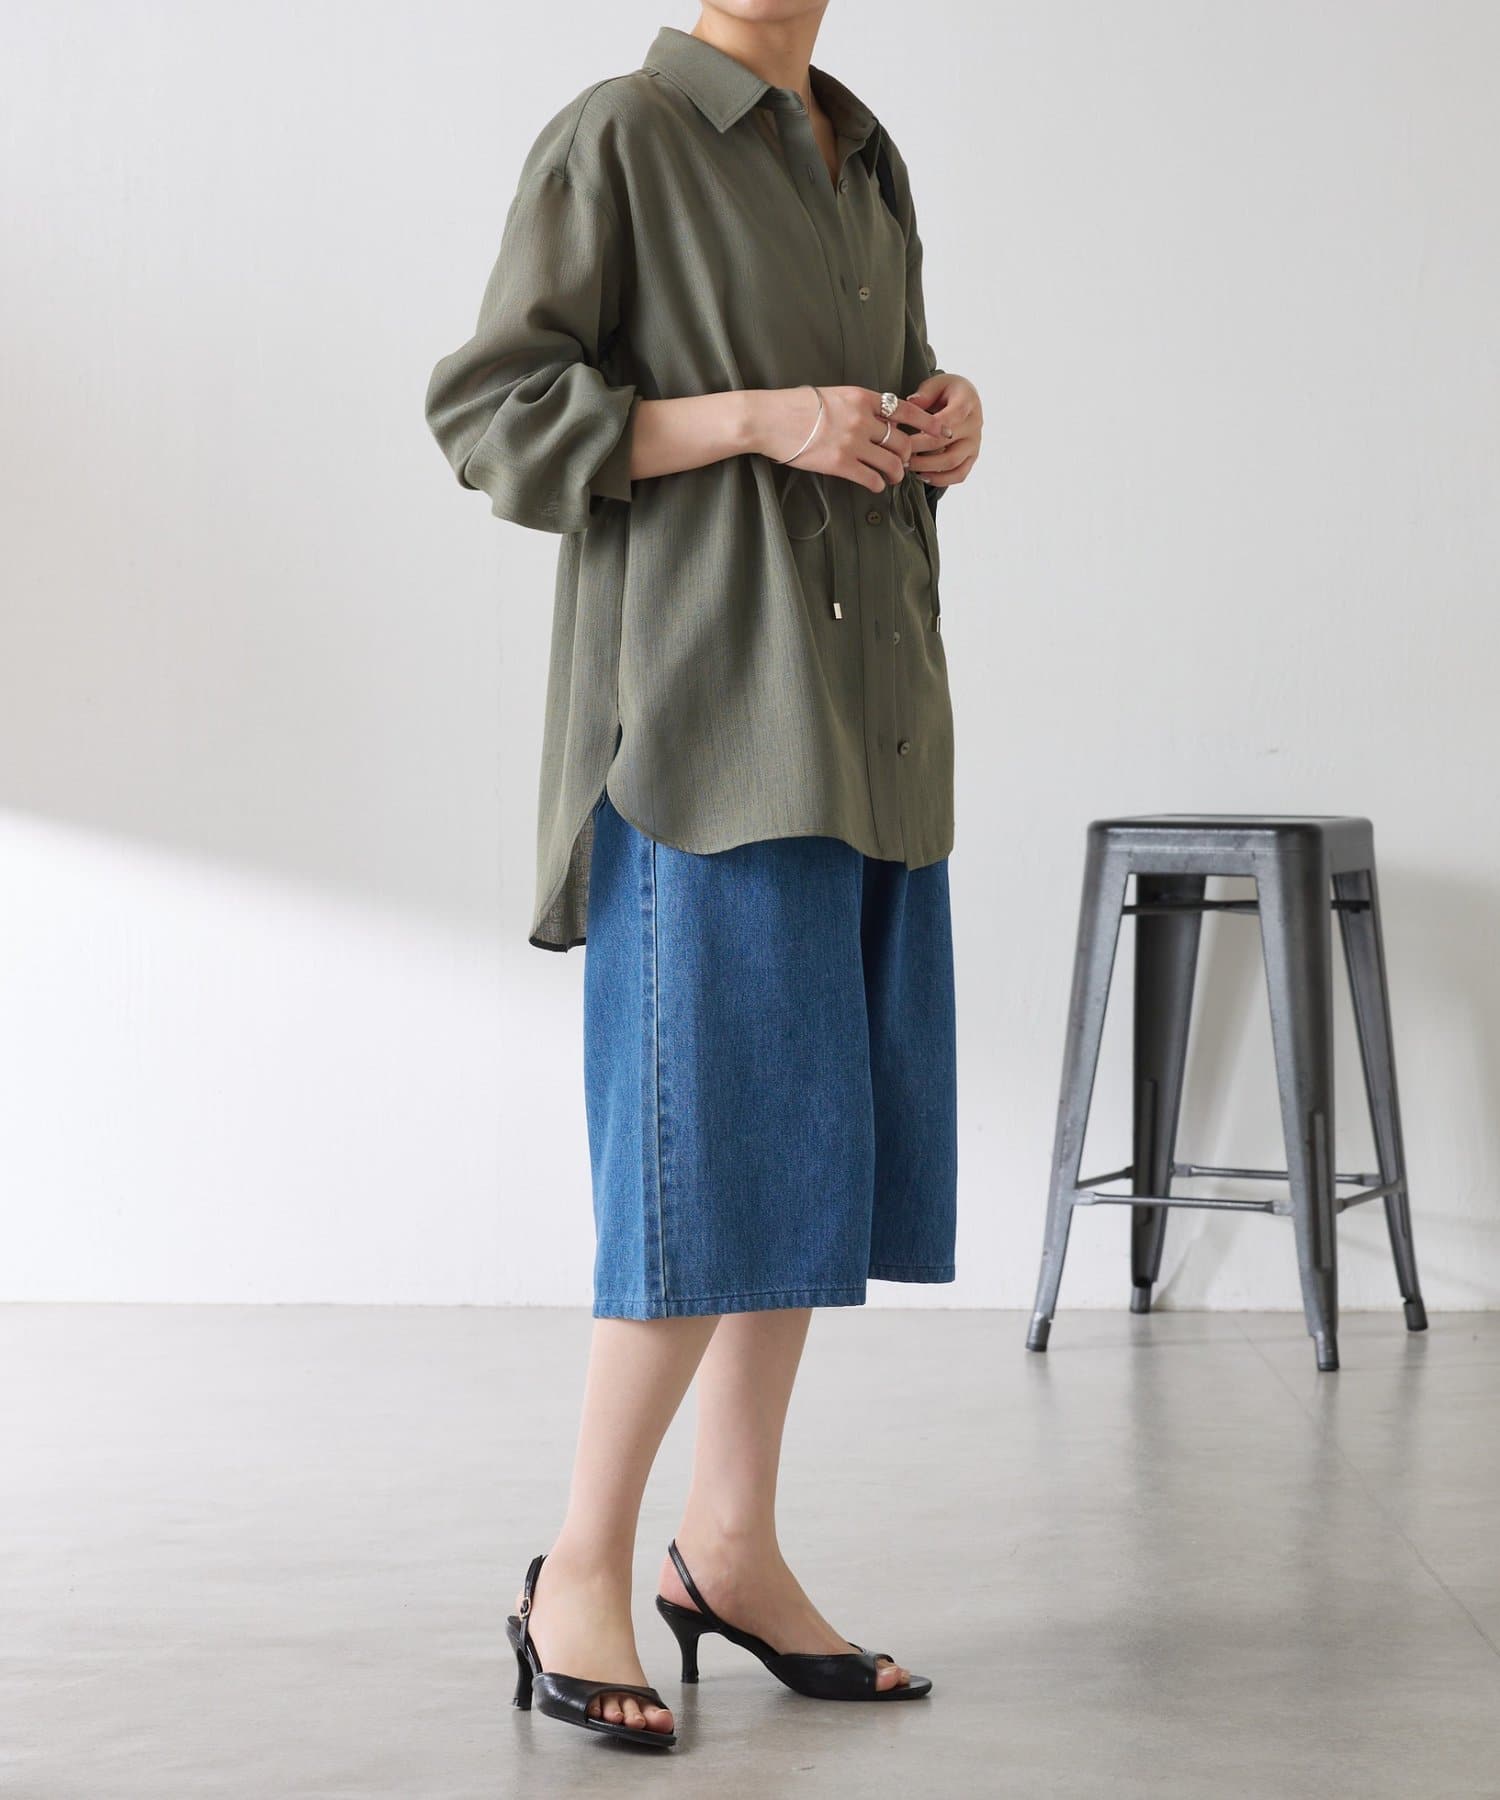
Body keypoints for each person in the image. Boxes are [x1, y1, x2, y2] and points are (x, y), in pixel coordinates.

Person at [425, 1, 982, 1753]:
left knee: (805, 1156)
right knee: (697, 1164)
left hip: (863, 718)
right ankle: (580, 1571)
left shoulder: (861, 154)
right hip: (702, 719)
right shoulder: (625, 136)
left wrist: (940, 422)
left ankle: (727, 1547)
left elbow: (868, 414)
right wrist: (763, 420)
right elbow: (492, 414)